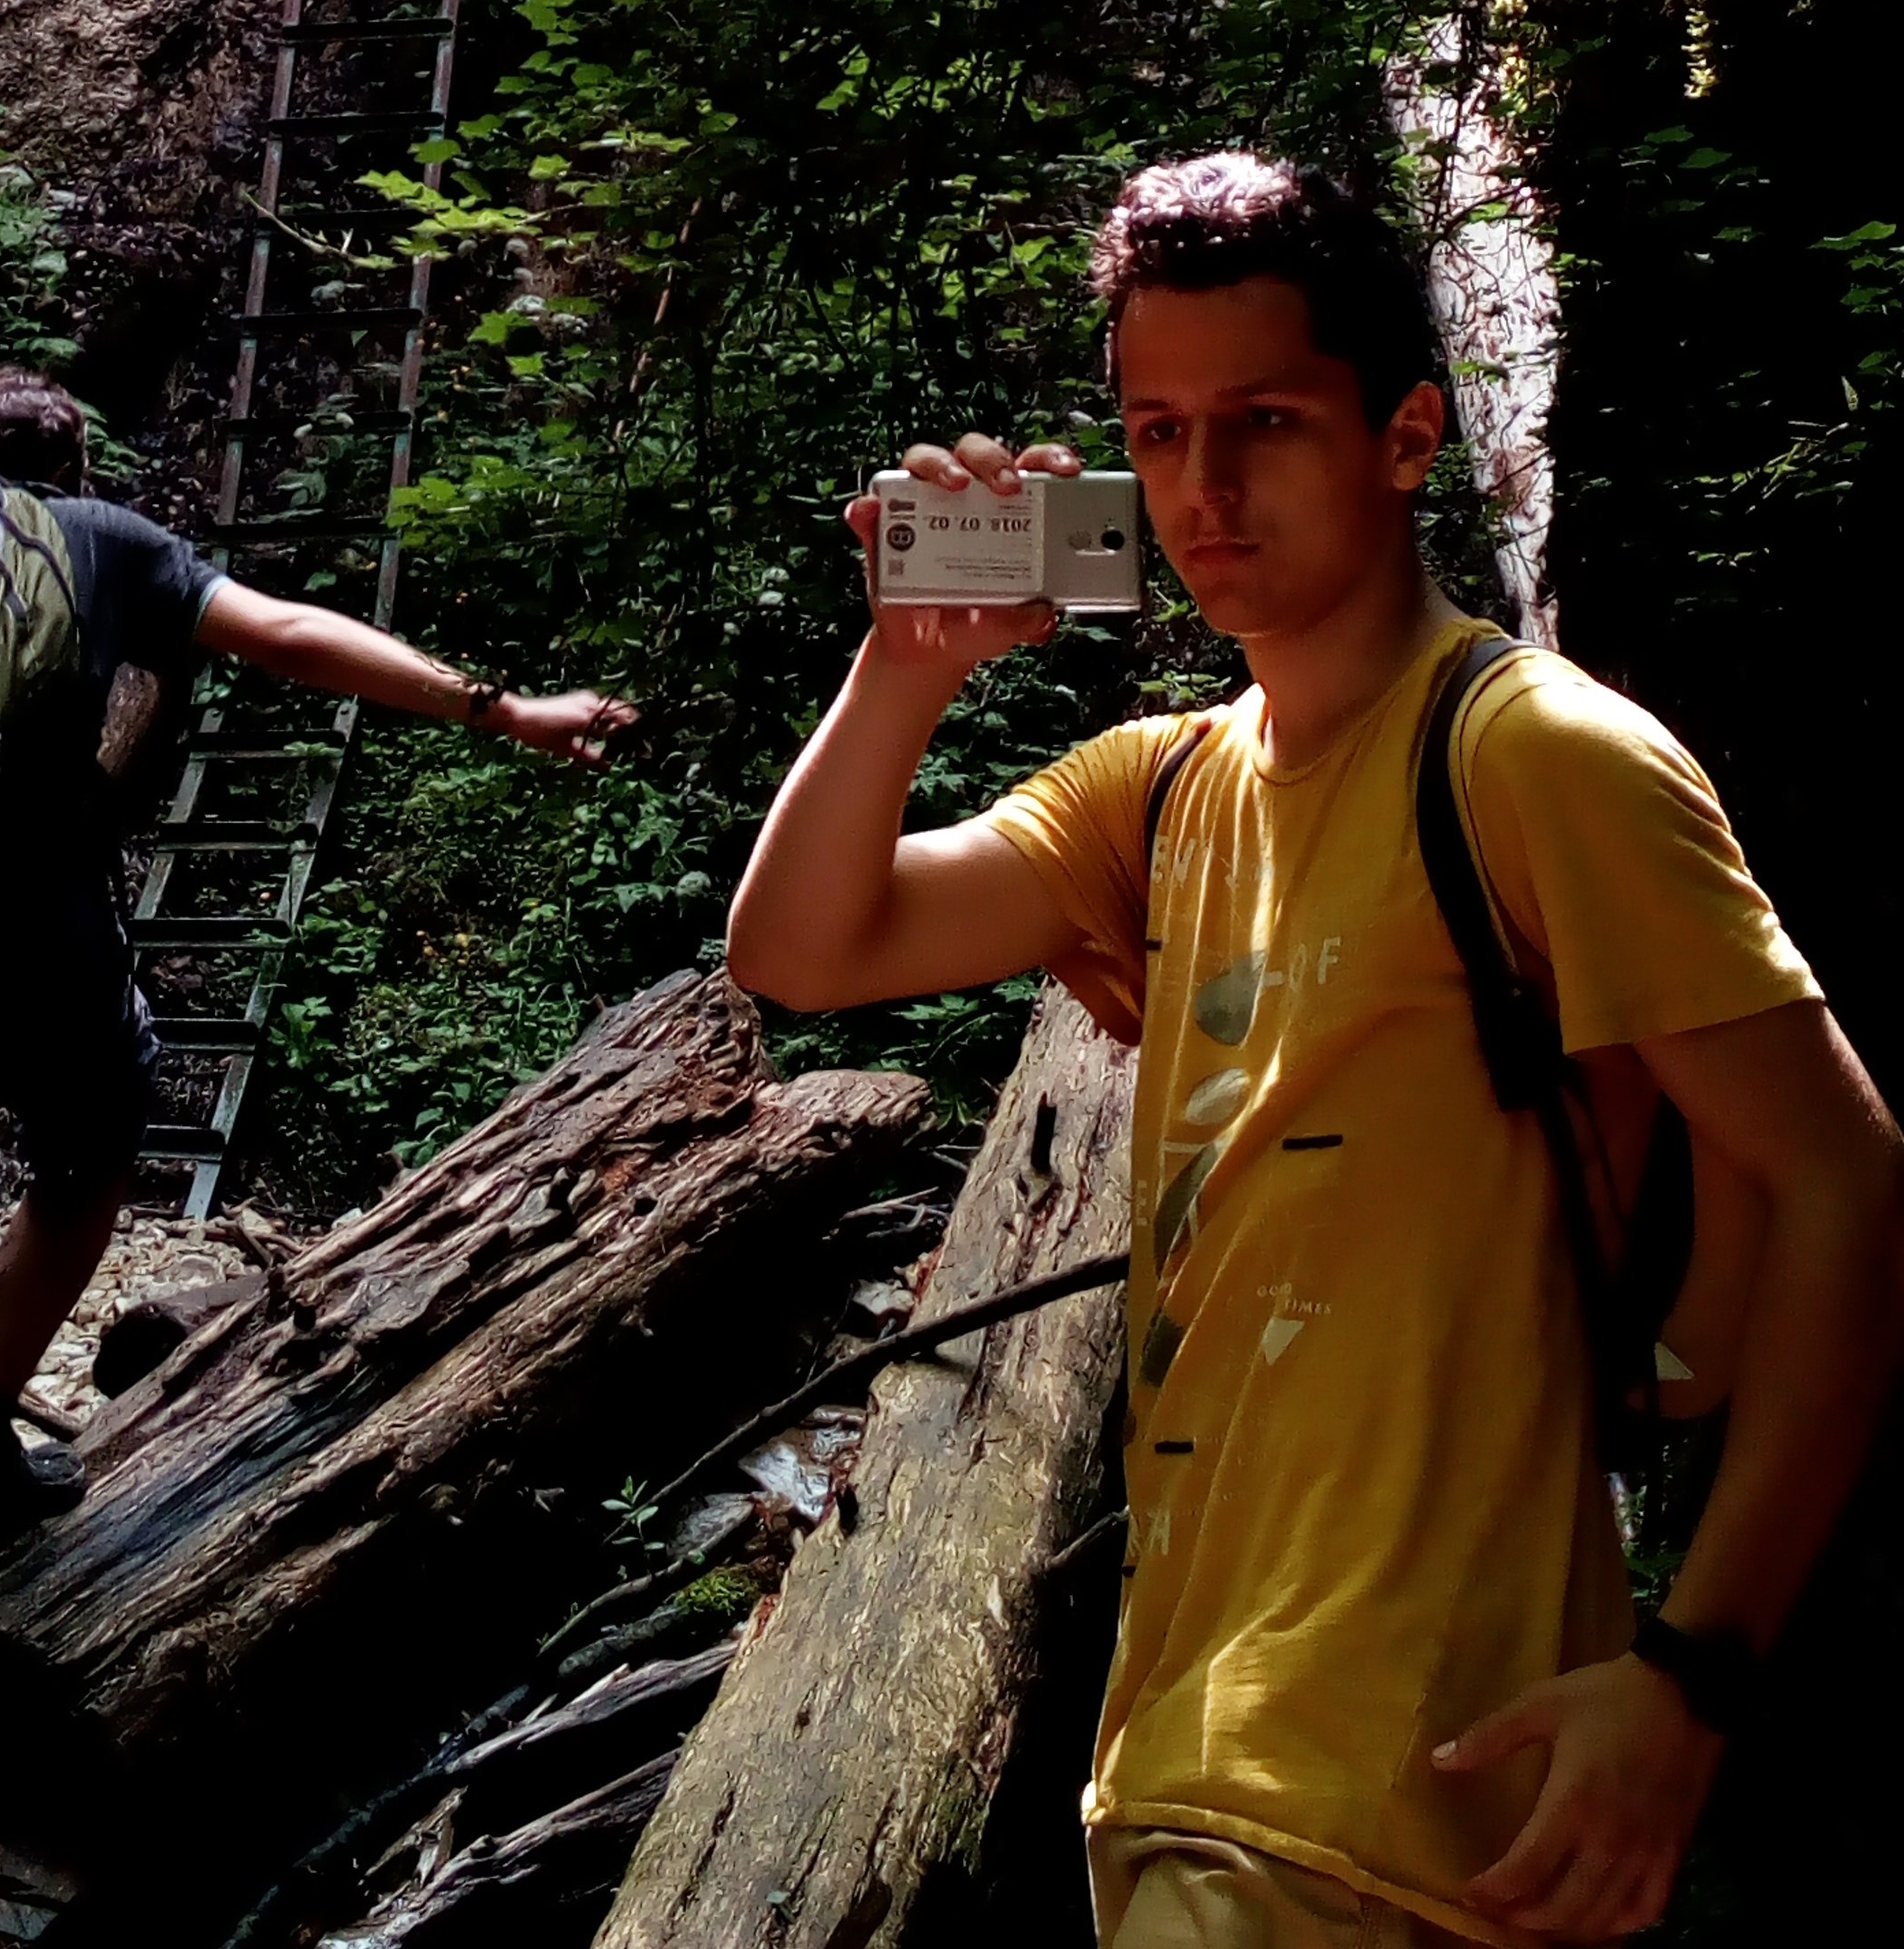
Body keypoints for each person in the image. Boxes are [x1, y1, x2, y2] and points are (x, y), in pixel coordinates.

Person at [726, 154, 1904, 1949]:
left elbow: (1845, 1178)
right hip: (1187, 1757)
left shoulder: (1535, 756)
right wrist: (907, 666)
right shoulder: (1161, 788)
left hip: (1396, 1775)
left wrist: (1694, 1676)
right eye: (1160, 431)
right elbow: (804, 950)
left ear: (1406, 434)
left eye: (1263, 421)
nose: (1203, 488)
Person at [0, 363, 630, 1927]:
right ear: (66, 467)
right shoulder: (94, 539)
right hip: (36, 945)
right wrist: (499, 707)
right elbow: (290, 634)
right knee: (90, 1153)